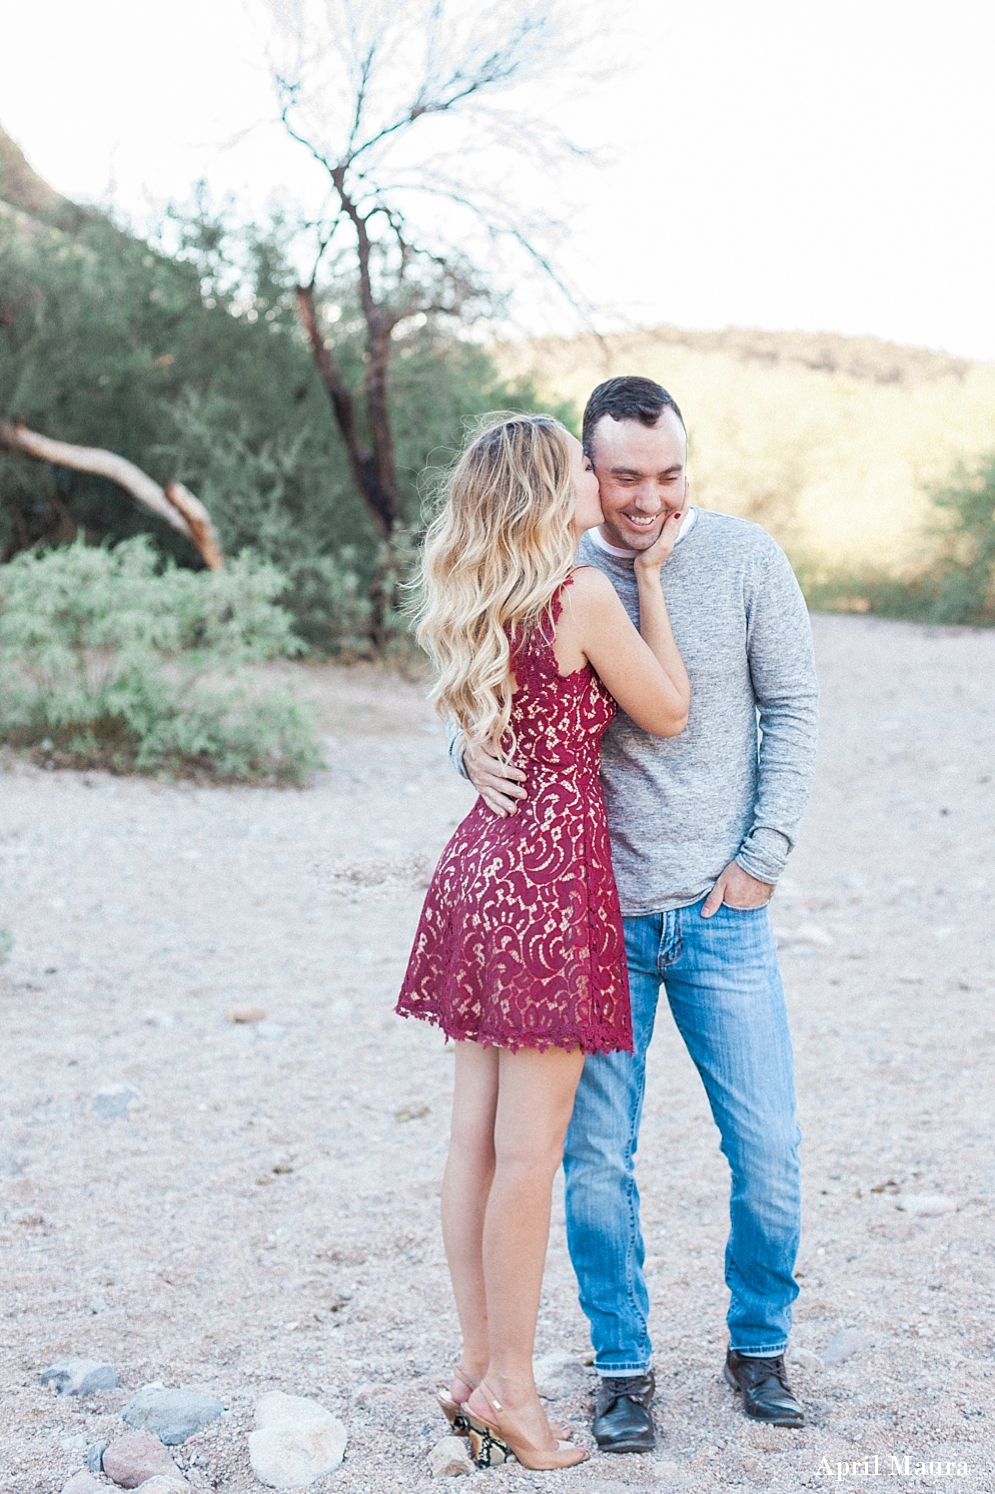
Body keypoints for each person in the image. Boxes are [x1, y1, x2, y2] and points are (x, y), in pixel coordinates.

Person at [459, 377, 820, 1448]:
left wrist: (761, 859)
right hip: (590, 920)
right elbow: (491, 692)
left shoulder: (746, 557)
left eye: (667, 475)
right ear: (583, 468)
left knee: (764, 1148)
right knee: (592, 1162)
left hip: (720, 914)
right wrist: (462, 751)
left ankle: (759, 1345)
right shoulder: (550, 563)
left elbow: (791, 704)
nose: (646, 499)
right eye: (622, 477)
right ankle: (622, 1367)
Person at [396, 413, 690, 1471]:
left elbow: (486, 723)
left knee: (471, 1139)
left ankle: (477, 1367)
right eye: (577, 469)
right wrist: (651, 583)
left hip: (477, 868)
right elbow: (664, 709)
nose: (591, 481)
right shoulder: (582, 594)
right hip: (549, 883)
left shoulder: (484, 596)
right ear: (542, 491)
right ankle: (513, 1394)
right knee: (528, 1155)